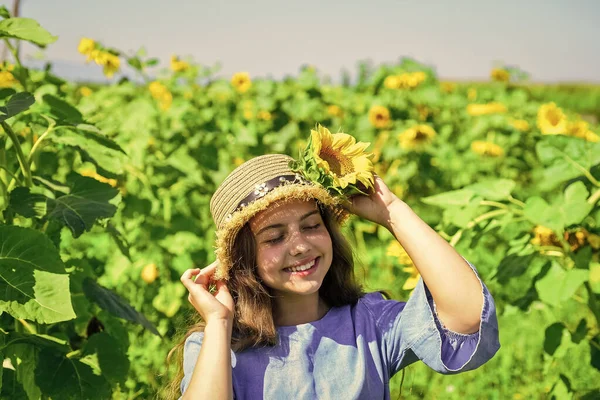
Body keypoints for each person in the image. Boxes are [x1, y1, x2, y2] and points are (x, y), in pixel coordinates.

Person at [170, 144, 500, 399]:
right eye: (274, 237)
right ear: (244, 260)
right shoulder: (218, 344)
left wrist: (393, 212)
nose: (300, 246)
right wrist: (218, 321)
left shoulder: (368, 323)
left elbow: (468, 316)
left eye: (312, 225)